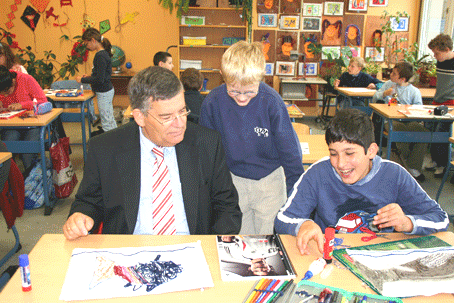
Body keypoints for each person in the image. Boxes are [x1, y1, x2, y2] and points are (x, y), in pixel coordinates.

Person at [63, 66, 241, 240]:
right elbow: (88, 202)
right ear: (140, 116)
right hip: (130, 250)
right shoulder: (104, 148)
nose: (180, 124)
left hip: (191, 247)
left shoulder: (207, 143)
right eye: (167, 117)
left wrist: (215, 246)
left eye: (182, 111)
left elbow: (227, 206)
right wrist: (80, 217)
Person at [274, 108, 449, 256]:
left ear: (371, 151)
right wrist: (303, 224)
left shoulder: (394, 175)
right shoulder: (318, 173)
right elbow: (282, 219)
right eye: (333, 153)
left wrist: (407, 223)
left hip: (380, 258)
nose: (341, 164)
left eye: (350, 153)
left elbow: (440, 219)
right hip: (330, 259)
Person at [200, 41, 304, 235]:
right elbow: (207, 152)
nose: (241, 98)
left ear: (260, 78)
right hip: (233, 181)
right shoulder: (213, 102)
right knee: (241, 238)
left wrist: (294, 194)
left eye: (249, 91)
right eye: (233, 90)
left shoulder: (271, 102)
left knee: (270, 238)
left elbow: (290, 152)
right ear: (223, 77)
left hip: (270, 182)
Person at [371, 62, 427, 182]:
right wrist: (384, 94)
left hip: (408, 120)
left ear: (402, 78)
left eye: (394, 73)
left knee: (422, 132)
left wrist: (408, 108)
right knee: (399, 130)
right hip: (391, 120)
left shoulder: (414, 91)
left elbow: (419, 108)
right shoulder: (388, 85)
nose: (391, 74)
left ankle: (413, 166)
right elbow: (375, 97)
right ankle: (401, 164)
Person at [0, 66, 47, 171]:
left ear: (12, 83)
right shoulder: (2, 83)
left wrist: (23, 105)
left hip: (32, 124)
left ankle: (32, 181)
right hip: (11, 125)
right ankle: (13, 180)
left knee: (27, 153)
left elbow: (43, 101)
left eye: (7, 92)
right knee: (6, 148)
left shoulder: (26, 79)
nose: (5, 95)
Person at [76, 28, 117, 136]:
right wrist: (90, 76)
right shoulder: (102, 54)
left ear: (93, 40)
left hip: (104, 92)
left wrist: (83, 79)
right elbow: (100, 74)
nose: (87, 46)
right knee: (108, 117)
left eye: (87, 43)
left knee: (107, 119)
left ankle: (110, 142)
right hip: (105, 91)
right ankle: (113, 137)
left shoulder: (100, 55)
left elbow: (100, 79)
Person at [425, 34, 454, 178]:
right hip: (438, 101)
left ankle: (443, 164)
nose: (435, 56)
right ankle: (435, 160)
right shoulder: (440, 63)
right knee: (431, 131)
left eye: (437, 53)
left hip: (450, 104)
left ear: (447, 49)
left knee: (441, 133)